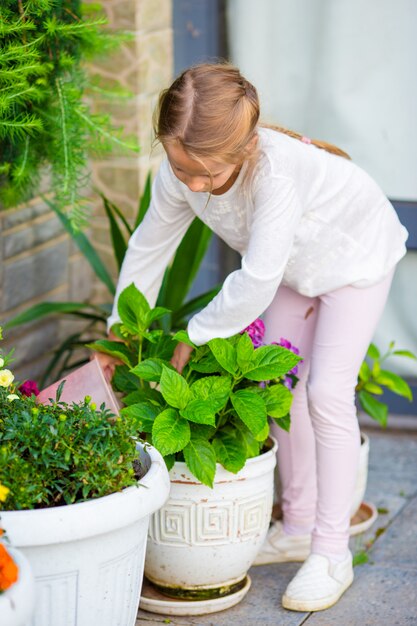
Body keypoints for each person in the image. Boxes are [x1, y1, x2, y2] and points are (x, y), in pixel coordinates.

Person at [96, 63, 408, 612]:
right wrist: (119, 331)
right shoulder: (181, 172)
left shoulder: (276, 175)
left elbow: (257, 279)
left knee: (324, 394)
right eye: (179, 166)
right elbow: (149, 247)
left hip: (356, 257)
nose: (192, 184)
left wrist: (193, 335)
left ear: (242, 151)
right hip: (298, 268)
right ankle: (298, 523)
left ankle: (331, 551)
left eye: (206, 175)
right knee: (278, 386)